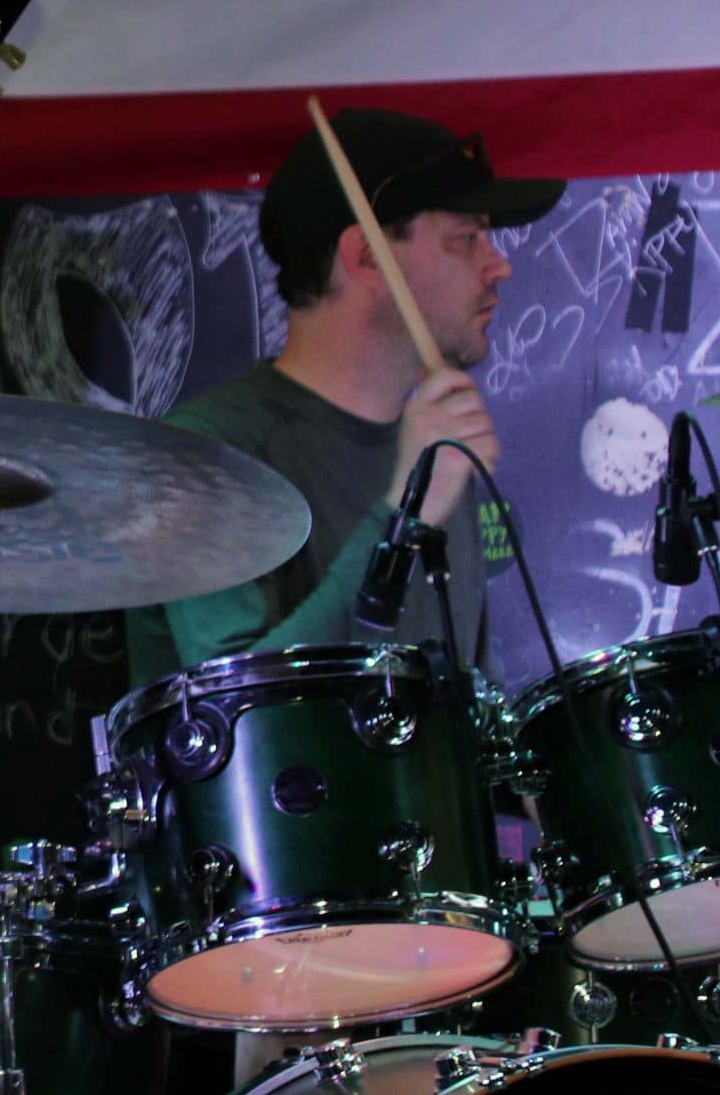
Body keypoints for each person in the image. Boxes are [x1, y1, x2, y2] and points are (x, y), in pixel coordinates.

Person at [123, 108, 564, 688]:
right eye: (467, 238)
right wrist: (402, 522)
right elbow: (244, 710)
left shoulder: (436, 451)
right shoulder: (202, 455)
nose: (500, 265)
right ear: (366, 257)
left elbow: (466, 700)